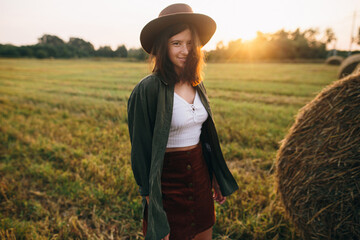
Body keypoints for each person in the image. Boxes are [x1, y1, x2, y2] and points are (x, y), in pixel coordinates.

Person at [127, 3, 238, 240]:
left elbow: (205, 136)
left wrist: (215, 175)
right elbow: (140, 151)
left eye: (190, 43)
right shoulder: (148, 89)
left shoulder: (197, 84)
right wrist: (154, 209)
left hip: (200, 176)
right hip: (166, 184)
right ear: (162, 47)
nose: (185, 50)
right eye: (176, 43)